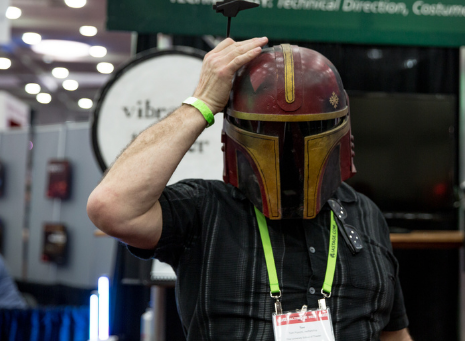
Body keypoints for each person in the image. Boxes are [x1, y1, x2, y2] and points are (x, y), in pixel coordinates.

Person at [87, 37, 412, 341]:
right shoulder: (205, 211)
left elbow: (393, 334)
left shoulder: (364, 215)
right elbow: (112, 207)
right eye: (271, 131)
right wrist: (201, 103)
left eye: (309, 131)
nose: (290, 152)